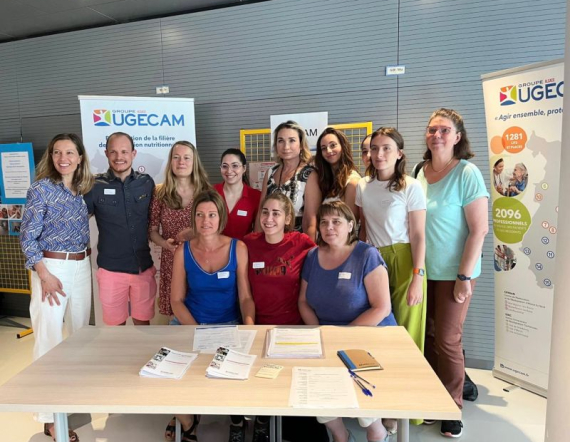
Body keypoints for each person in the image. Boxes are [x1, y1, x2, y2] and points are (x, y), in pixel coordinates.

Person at [415, 108, 489, 438]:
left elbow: (479, 230)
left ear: (457, 137)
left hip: (454, 273)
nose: (437, 135)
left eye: (445, 130)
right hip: (423, 271)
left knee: (447, 339)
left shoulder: (467, 173)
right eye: (432, 130)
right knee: (428, 337)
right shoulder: (419, 171)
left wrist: (463, 277)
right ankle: (434, 398)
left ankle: (452, 406)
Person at [299, 201, 396, 442]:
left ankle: (376, 430)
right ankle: (340, 435)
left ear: (351, 225)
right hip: (328, 335)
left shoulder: (366, 254)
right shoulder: (312, 256)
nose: (329, 227)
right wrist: (319, 334)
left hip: (369, 335)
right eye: (324, 222)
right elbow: (303, 302)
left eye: (336, 222)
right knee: (314, 380)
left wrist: (342, 337)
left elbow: (382, 308)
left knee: (357, 380)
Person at [20, 133, 94, 442]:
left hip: (80, 267)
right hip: (51, 269)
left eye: (69, 152)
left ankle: (71, 397)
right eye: (57, 153)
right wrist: (43, 273)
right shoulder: (41, 189)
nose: (63, 158)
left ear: (80, 158)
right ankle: (50, 418)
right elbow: (27, 236)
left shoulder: (81, 191)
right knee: (49, 341)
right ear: (51, 157)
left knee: (80, 336)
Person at [170, 189, 255, 442]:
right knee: (167, 379)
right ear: (193, 219)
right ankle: (187, 424)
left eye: (211, 214)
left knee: (230, 379)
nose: (205, 221)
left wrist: (249, 327)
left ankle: (236, 420)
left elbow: (246, 297)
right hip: (189, 324)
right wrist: (199, 331)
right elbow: (176, 301)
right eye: (199, 215)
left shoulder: (237, 248)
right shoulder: (182, 251)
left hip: (227, 325)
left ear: (221, 218)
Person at [242, 192, 326, 442]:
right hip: (259, 330)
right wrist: (250, 327)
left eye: (276, 213)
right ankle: (261, 423)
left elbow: (327, 260)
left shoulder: (301, 242)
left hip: (294, 330)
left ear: (288, 218)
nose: (268, 218)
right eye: (265, 212)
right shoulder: (248, 243)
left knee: (295, 399)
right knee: (263, 387)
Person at [84, 132, 157, 326]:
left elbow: (158, 215)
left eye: (124, 151)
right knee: (116, 329)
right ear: (106, 153)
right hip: (111, 270)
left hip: (142, 267)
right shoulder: (94, 186)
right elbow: (77, 218)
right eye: (114, 152)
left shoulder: (146, 182)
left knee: (144, 325)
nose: (119, 157)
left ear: (133, 153)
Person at [149, 141, 210, 320]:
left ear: (194, 162)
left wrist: (195, 232)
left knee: (200, 308)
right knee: (176, 314)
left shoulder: (205, 192)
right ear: (170, 162)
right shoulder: (160, 192)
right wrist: (165, 245)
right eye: (176, 157)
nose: (181, 162)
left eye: (186, 158)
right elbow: (152, 231)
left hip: (200, 258)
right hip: (172, 259)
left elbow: (215, 226)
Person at [256, 120, 321, 241]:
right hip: (269, 242)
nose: (286, 147)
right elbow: (261, 212)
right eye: (281, 141)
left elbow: (310, 222)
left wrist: (309, 252)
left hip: (295, 246)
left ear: (301, 145)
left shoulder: (310, 175)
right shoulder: (270, 172)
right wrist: (257, 243)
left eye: (292, 140)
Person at [309, 127, 361, 220]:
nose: (328, 151)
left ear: (343, 146)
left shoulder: (352, 181)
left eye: (333, 145)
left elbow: (351, 223)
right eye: (324, 148)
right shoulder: (323, 178)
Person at [214, 148, 261, 240]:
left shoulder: (256, 197)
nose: (229, 171)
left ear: (244, 168)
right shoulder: (211, 193)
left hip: (243, 251)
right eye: (225, 166)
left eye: (235, 166)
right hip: (214, 250)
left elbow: (257, 232)